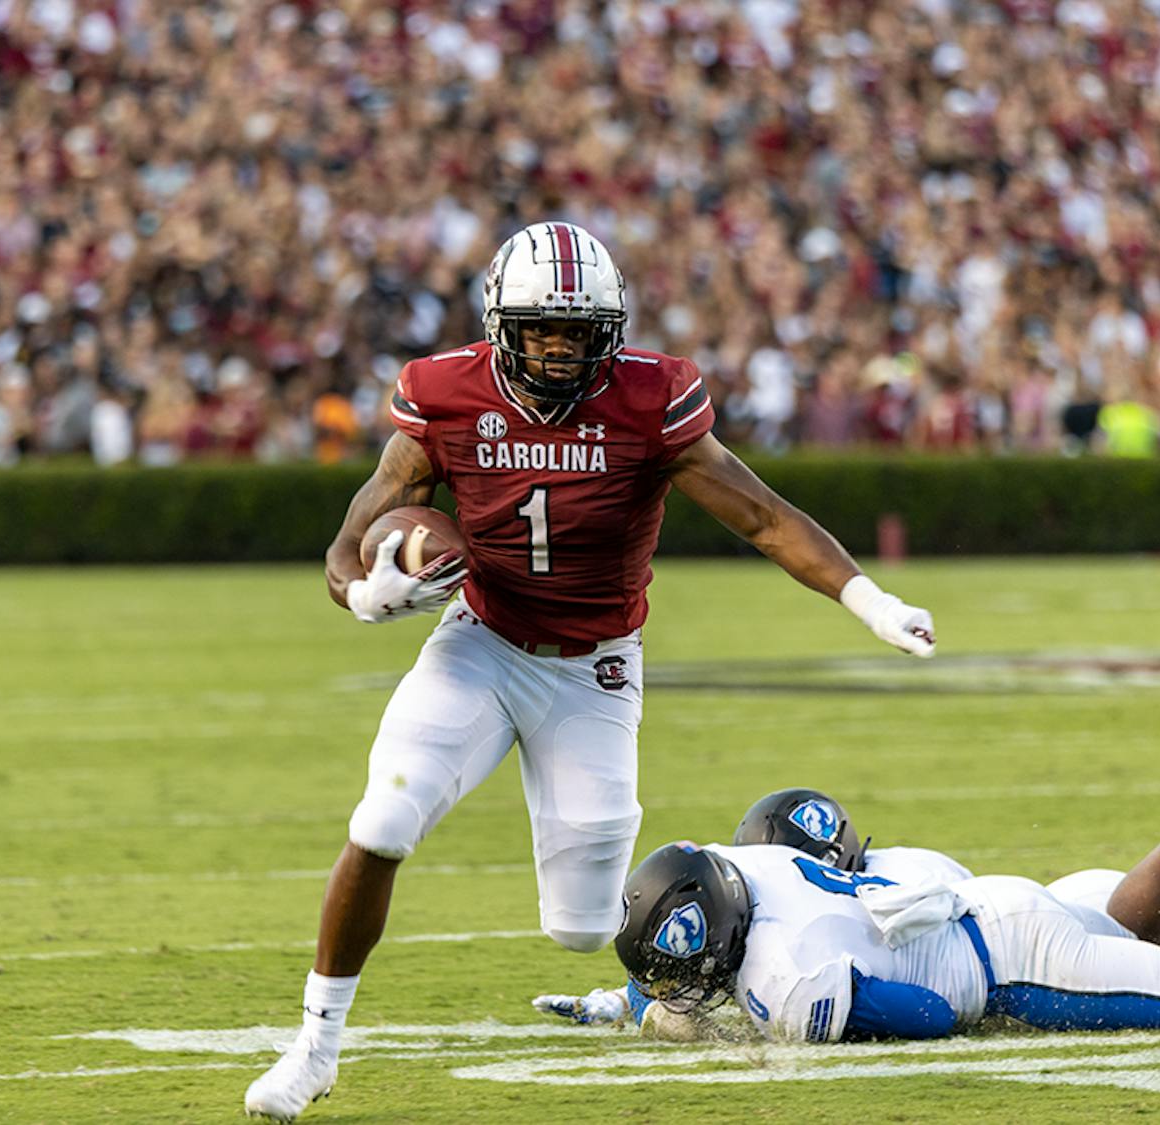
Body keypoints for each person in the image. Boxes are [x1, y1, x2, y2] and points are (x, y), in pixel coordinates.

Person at [244, 222, 936, 1120]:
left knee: (581, 926)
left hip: (594, 670)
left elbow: (762, 517)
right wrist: (364, 593)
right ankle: (314, 1046)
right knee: (382, 819)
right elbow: (355, 534)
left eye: (580, 330)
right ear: (501, 325)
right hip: (480, 645)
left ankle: (776, 876)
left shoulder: (651, 399)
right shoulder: (444, 395)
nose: (563, 347)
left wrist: (871, 602)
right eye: (543, 329)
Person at [611, 746, 1160, 1044]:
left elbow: (933, 1013)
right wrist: (632, 999)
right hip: (1002, 906)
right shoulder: (747, 858)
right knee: (1159, 936)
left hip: (1010, 968)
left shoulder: (786, 975)